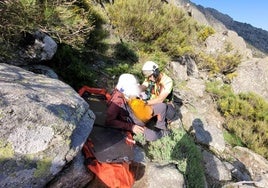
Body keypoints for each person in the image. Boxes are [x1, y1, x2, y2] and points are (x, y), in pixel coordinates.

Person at [106, 73, 168, 141]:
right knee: (152, 136)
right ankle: (162, 134)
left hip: (141, 111)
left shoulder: (127, 93)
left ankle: (161, 126)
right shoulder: (117, 101)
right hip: (133, 122)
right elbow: (109, 121)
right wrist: (131, 127)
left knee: (162, 106)